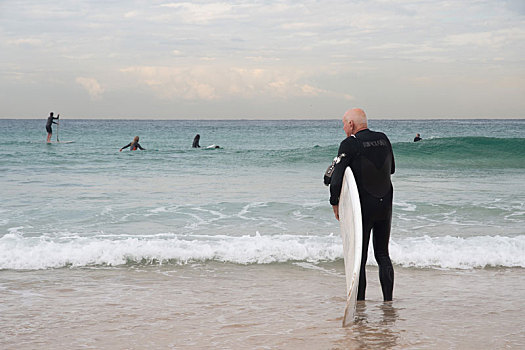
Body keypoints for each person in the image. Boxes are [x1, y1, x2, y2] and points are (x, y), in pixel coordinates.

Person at [327, 108, 395, 302]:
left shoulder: (350, 144)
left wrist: (335, 203)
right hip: (385, 205)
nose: (343, 128)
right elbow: (392, 169)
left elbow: (337, 177)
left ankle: (360, 303)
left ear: (351, 124)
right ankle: (388, 302)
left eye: (343, 124)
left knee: (360, 258)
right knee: (383, 254)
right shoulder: (383, 138)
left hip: (363, 208)